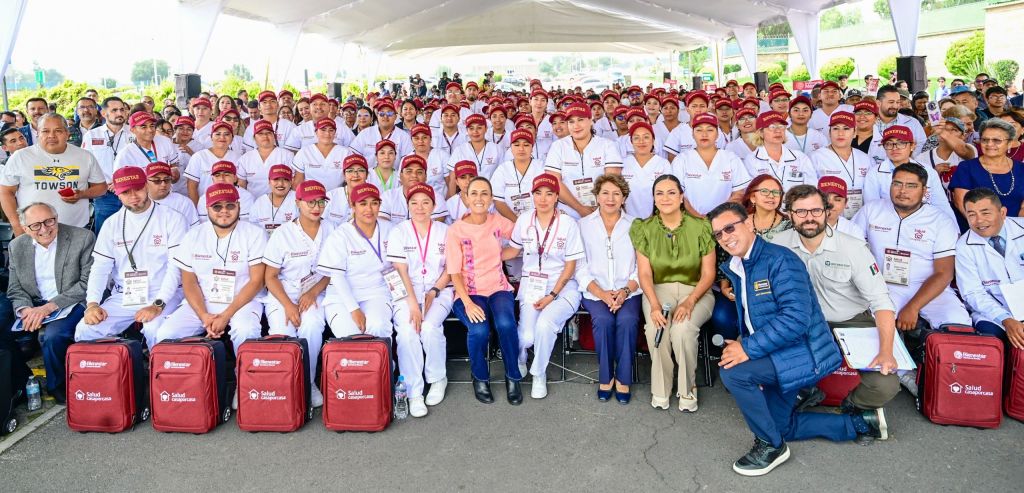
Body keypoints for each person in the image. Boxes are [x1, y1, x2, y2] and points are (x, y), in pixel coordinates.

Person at [708, 201, 883, 477]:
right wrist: (744, 341)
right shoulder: (739, 265)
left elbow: (796, 320)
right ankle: (859, 424)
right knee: (781, 426)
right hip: (777, 350)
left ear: (750, 223)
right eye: (718, 234)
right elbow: (758, 315)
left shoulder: (780, 260)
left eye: (730, 227)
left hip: (803, 353)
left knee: (735, 374)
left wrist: (748, 348)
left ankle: (770, 446)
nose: (725, 237)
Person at [771, 185, 900, 430]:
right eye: (800, 212)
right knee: (761, 367)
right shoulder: (777, 246)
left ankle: (852, 406)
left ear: (827, 211)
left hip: (848, 320)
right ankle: (804, 391)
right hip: (801, 323)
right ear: (788, 214)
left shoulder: (852, 247)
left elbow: (881, 302)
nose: (809, 217)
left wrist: (886, 351)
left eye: (816, 210)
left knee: (885, 385)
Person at [158, 183, 267, 410]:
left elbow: (257, 280)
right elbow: (188, 281)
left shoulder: (255, 233)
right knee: (167, 333)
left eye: (229, 205)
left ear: (238, 206)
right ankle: (185, 387)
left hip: (243, 300)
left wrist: (226, 315)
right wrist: (204, 315)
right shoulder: (193, 235)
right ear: (207, 209)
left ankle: (245, 384)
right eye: (217, 206)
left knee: (245, 330)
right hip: (203, 302)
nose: (224, 211)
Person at [853, 163, 972, 355]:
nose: (902, 191)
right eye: (897, 184)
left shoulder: (940, 220)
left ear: (924, 190)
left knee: (958, 323)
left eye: (911, 186)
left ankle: (941, 378)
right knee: (872, 323)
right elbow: (852, 246)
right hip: (884, 286)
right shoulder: (872, 210)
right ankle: (901, 374)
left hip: (930, 287)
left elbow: (944, 273)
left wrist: (913, 307)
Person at [75, 167, 187, 348]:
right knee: (86, 329)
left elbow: (176, 268)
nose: (133, 196)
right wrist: (92, 304)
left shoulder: (172, 218)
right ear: (117, 194)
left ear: (146, 186)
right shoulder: (112, 224)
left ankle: (157, 373)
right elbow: (100, 268)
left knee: (155, 329)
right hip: (126, 295)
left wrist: (158, 303)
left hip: (165, 293)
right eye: (126, 192)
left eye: (138, 189)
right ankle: (116, 373)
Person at [631, 175, 716, 412]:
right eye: (659, 193)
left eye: (671, 192)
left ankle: (688, 388)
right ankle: (661, 387)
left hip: (696, 291)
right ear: (654, 199)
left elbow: (708, 274)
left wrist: (690, 302)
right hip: (658, 290)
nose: (665, 198)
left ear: (681, 197)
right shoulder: (643, 228)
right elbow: (645, 274)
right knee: (657, 329)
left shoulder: (701, 226)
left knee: (683, 329)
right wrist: (655, 305)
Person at [501, 173, 583, 399]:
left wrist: (553, 294)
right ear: (532, 195)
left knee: (545, 325)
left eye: (549, 193)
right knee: (527, 337)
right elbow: (514, 251)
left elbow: (571, 265)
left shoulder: (568, 223)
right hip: (533, 285)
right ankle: (521, 356)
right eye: (538, 193)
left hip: (563, 286)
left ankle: (539, 373)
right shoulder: (524, 220)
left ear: (557, 196)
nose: (543, 198)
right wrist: (486, 256)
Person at [445, 176, 523, 404]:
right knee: (479, 330)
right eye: (474, 193)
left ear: (490, 198)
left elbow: (520, 240)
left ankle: (512, 377)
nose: (479, 198)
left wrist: (500, 255)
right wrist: (468, 303)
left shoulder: (498, 221)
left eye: (484, 193)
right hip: (468, 291)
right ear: (465, 197)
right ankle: (479, 376)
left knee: (506, 324)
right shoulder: (456, 230)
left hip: (498, 287)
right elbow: (454, 272)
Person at [6, 202, 95, 403]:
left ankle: (57, 387)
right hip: (33, 303)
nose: (44, 229)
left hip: (69, 301)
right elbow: (15, 287)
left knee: (53, 337)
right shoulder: (16, 246)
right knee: (4, 331)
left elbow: (86, 283)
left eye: (49, 221)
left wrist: (48, 307)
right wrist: (26, 309)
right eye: (36, 225)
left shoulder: (82, 238)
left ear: (56, 218)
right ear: (26, 228)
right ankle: (22, 381)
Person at [262, 180, 333, 408]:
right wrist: (288, 305)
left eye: (321, 201)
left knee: (312, 325)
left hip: (316, 291)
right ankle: (284, 386)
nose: (316, 207)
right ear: (298, 203)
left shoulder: (332, 229)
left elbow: (335, 269)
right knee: (283, 332)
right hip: (283, 293)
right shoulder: (283, 233)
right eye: (310, 201)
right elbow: (270, 276)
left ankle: (308, 382)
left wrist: (313, 293)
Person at [385, 183, 453, 417]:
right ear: (408, 206)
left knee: (429, 327)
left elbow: (450, 269)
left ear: (434, 206)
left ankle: (437, 378)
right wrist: (413, 304)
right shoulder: (399, 231)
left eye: (426, 202)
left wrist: (434, 291)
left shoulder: (445, 231)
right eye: (414, 202)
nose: (420, 207)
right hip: (406, 292)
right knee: (406, 331)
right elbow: (400, 271)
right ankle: (414, 393)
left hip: (440, 290)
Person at [577, 174, 641, 403]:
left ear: (624, 198)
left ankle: (623, 378)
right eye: (605, 193)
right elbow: (579, 266)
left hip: (629, 290)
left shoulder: (636, 225)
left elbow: (642, 266)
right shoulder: (583, 225)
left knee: (627, 321)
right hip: (596, 291)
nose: (610, 198)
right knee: (603, 322)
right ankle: (606, 376)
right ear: (597, 196)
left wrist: (624, 291)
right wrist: (602, 294)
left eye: (617, 193)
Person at [0, 113, 107, 235]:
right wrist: (17, 225)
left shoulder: (85, 156)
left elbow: (101, 188)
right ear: (38, 133)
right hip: (33, 231)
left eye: (58, 131)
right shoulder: (20, 157)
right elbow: (5, 192)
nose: (51, 135)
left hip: (76, 230)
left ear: (67, 133)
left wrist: (82, 194)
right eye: (45, 131)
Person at [317, 183, 396, 343]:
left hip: (377, 292)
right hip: (341, 297)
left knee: (378, 327)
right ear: (352, 206)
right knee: (351, 337)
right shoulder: (340, 235)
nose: (369, 209)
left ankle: (384, 367)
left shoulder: (391, 229)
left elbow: (399, 266)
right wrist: (354, 309)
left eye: (374, 203)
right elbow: (337, 277)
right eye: (363, 203)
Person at [955, 187, 1024, 349]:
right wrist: (1005, 319)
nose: (979, 221)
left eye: (986, 213)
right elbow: (972, 293)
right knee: (991, 344)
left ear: (1002, 212)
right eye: (971, 214)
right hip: (994, 311)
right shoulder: (964, 246)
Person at [545, 103, 623, 219]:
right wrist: (579, 208)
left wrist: (599, 208)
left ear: (591, 121)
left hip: (601, 210)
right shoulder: (558, 146)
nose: (576, 126)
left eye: (580, 120)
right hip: (567, 212)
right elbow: (554, 181)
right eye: (571, 122)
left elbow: (612, 180)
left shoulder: (607, 145)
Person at [863, 126, 957, 221]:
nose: (895, 148)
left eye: (901, 143)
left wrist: (954, 230)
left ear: (912, 146)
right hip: (887, 224)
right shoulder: (874, 174)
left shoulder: (928, 171)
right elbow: (872, 207)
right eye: (889, 144)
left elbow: (941, 204)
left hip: (925, 224)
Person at [671, 114, 750, 218]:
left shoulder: (730, 158)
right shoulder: (681, 160)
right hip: (691, 221)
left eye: (710, 130)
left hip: (725, 221)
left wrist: (719, 217)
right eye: (699, 130)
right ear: (692, 134)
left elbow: (738, 193)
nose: (704, 134)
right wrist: (699, 217)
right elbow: (677, 194)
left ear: (717, 135)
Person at [949, 118, 1024, 217]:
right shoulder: (966, 168)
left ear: (1009, 143)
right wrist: (986, 226)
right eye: (985, 140)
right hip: (977, 227)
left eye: (996, 140)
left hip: (1016, 228)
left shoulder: (1021, 169)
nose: (989, 144)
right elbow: (961, 203)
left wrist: (1015, 227)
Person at [811, 111, 872, 219]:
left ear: (854, 133)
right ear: (829, 133)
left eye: (846, 128)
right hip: (827, 217)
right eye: (835, 128)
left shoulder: (866, 159)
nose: (840, 133)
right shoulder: (815, 158)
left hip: (861, 217)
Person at [743, 111, 818, 193]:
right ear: (761, 132)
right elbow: (751, 191)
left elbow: (812, 188)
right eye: (772, 127)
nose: (778, 130)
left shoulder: (800, 157)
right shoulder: (751, 160)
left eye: (781, 126)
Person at [490, 129, 543, 221]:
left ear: (532, 147)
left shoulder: (541, 167)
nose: (521, 149)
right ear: (510, 147)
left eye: (526, 145)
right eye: (516, 145)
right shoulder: (502, 169)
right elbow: (498, 201)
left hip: (538, 220)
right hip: (509, 221)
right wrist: (516, 222)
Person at [184, 120, 244, 203]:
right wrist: (197, 208)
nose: (222, 137)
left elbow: (241, 185)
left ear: (232, 138)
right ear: (211, 137)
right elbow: (191, 186)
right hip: (205, 206)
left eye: (226, 134)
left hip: (231, 206)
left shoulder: (238, 158)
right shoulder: (199, 156)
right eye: (218, 134)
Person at [379, 154, 449, 223]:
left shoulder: (437, 198)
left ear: (426, 176)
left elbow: (434, 229)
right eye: (409, 171)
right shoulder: (388, 196)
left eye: (419, 172)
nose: (414, 175)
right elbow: (383, 226)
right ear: (400, 176)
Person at [237, 119, 295, 198]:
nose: (265, 136)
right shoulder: (245, 159)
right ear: (254, 138)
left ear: (274, 136)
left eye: (268, 133)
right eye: (260, 133)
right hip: (253, 204)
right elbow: (241, 186)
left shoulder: (287, 155)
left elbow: (293, 183)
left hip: (281, 203)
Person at [292, 117, 350, 192]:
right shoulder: (304, 152)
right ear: (316, 132)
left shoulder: (345, 153)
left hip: (337, 198)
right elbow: (298, 182)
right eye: (323, 130)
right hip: (311, 198)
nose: (327, 133)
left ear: (335, 133)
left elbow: (350, 180)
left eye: (331, 130)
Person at [349, 99, 411, 168]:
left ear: (395, 117)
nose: (385, 116)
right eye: (382, 114)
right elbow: (354, 157)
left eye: (389, 113)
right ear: (377, 116)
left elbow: (408, 163)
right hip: (369, 177)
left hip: (394, 178)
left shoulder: (403, 136)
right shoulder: (365, 134)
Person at [284, 93, 356, 152]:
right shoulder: (299, 130)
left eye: (323, 104)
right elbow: (290, 152)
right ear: (310, 108)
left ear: (328, 108)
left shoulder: (343, 129)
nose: (318, 107)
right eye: (314, 104)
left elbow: (353, 151)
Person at [146, 162, 199, 227]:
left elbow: (194, 230)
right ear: (146, 182)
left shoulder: (183, 202)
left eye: (167, 180)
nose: (163, 184)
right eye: (157, 181)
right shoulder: (139, 202)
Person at [250, 164, 298, 234]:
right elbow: (253, 230)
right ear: (269, 181)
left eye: (285, 179)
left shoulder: (298, 199)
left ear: (291, 182)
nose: (280, 184)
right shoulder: (259, 203)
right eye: (276, 179)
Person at [323, 154, 369, 226]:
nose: (355, 175)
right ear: (344, 176)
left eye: (360, 170)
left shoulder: (374, 197)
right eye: (350, 171)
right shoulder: (331, 196)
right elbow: (319, 223)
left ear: (367, 175)